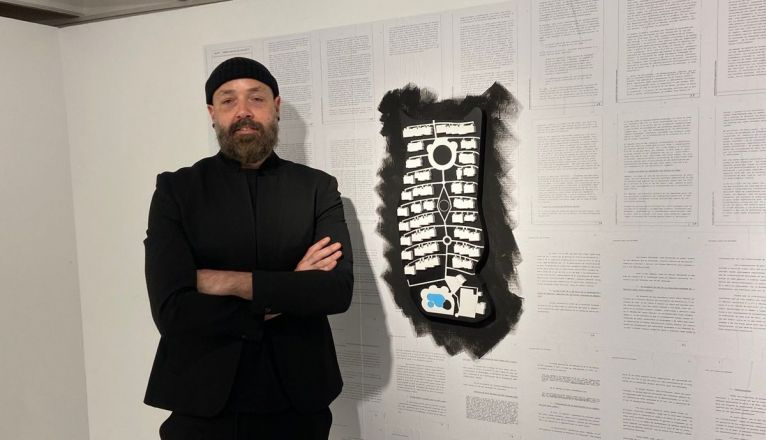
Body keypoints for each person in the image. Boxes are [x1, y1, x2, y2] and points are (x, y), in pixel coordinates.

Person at [143, 57, 353, 439]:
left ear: (276, 107)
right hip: (201, 404)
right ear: (212, 113)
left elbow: (336, 291)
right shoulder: (176, 190)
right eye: (228, 100)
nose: (243, 111)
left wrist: (227, 282)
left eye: (256, 98)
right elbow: (172, 310)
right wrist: (292, 285)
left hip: (299, 403)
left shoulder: (318, 188)